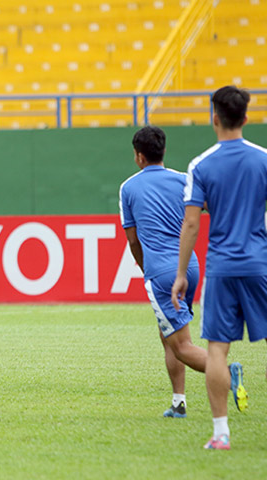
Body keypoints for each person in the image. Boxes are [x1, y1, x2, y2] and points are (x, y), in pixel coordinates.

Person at [172, 85, 263, 451]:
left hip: (223, 268)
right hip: (260, 265)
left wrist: (181, 274)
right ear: (245, 117)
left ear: (214, 117)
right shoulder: (263, 159)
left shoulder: (201, 164)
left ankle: (221, 433)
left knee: (217, 350)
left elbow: (191, 223)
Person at [119, 125, 208, 418]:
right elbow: (204, 210)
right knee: (167, 333)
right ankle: (178, 401)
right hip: (190, 267)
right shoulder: (184, 180)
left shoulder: (129, 188)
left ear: (138, 156)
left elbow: (132, 239)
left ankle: (225, 369)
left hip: (161, 273)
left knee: (182, 345)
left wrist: (145, 267)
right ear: (163, 151)